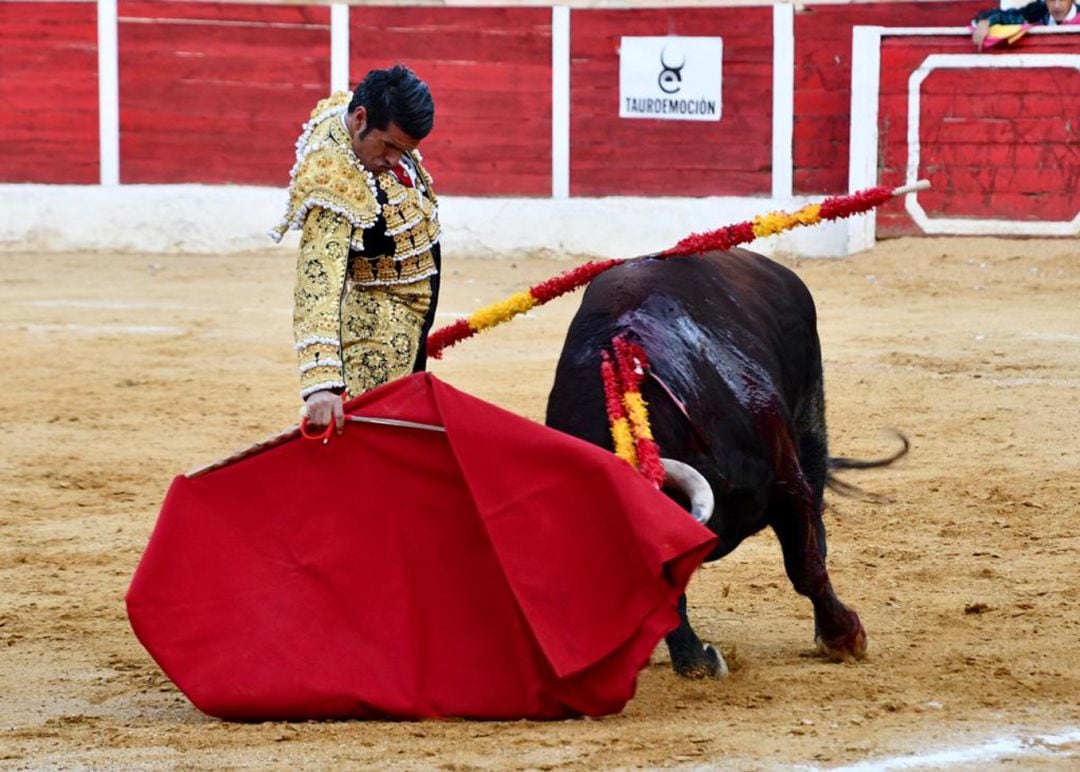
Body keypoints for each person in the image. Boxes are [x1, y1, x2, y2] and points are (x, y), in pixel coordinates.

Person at [270, 65, 440, 434]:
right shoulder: (335, 177)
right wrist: (322, 383)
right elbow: (318, 280)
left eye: (406, 150)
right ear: (360, 119)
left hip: (408, 318)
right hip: (376, 331)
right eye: (390, 146)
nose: (395, 160)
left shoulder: (359, 117)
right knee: (379, 441)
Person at [971, 0, 1078, 49]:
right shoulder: (1038, 11)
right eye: (1051, 0)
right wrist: (987, 21)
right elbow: (1003, 15)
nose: (1057, 6)